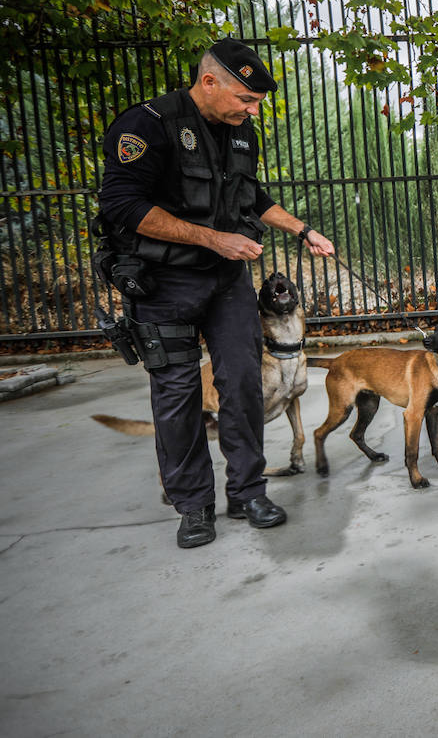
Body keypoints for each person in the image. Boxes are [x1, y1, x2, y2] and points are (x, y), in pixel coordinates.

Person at [95, 38, 335, 548]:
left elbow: (253, 195)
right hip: (163, 284)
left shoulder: (239, 131)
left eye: (255, 104)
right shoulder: (146, 125)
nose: (251, 111)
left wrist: (301, 230)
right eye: (245, 100)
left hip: (227, 283)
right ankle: (193, 506)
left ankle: (248, 491)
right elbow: (122, 204)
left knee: (244, 383)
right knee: (178, 395)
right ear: (209, 82)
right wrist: (213, 238)